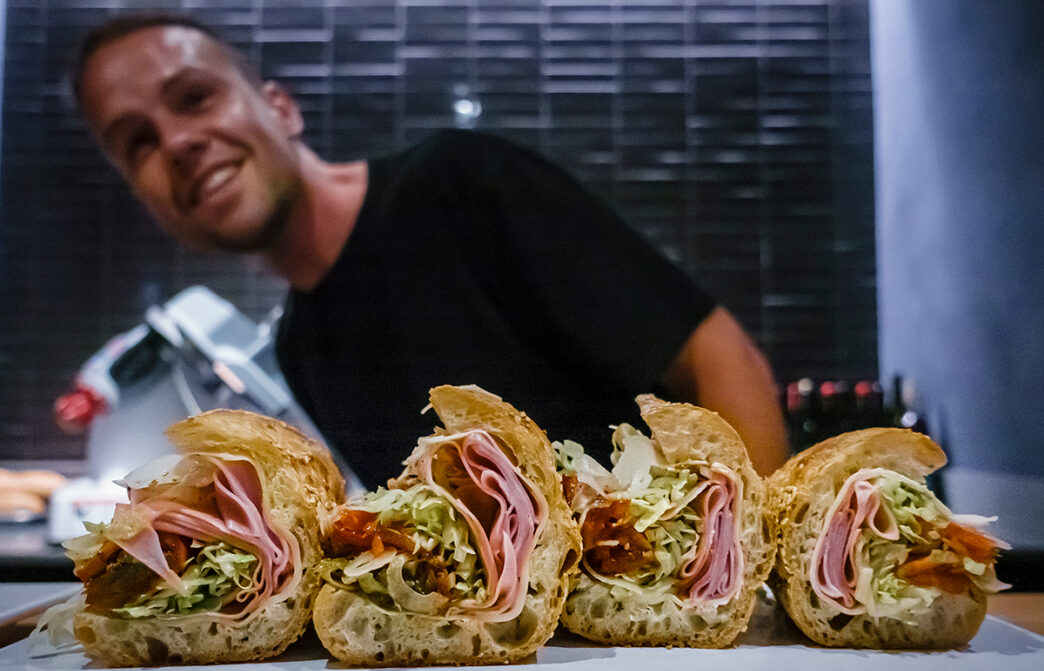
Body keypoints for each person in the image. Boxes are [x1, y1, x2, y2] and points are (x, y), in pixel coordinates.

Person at [71, 13, 789, 487]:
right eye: (139, 143)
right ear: (144, 195)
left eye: (195, 98)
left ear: (280, 108)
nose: (179, 143)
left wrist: (739, 596)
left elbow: (723, 360)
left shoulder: (460, 184)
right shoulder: (299, 347)